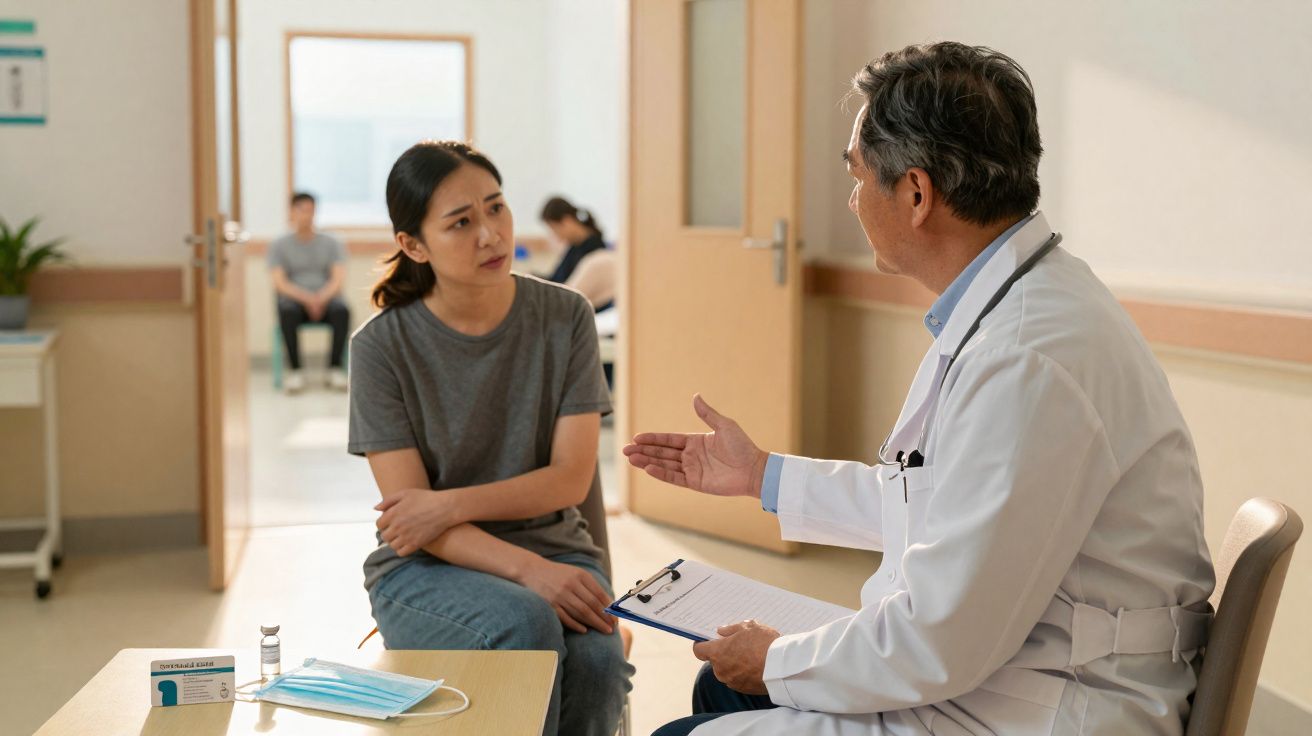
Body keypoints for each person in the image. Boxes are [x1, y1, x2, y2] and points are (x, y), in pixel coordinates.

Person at [626, 42, 1214, 736]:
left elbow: (939, 642)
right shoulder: (1023, 303)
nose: (851, 198)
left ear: (914, 193)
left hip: (1049, 702)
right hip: (1008, 661)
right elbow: (942, 507)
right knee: (723, 688)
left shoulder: (1027, 357)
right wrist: (763, 475)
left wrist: (777, 659)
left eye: (856, 175)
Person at [348, 141, 632, 736]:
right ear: (413, 245)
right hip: (428, 566)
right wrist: (528, 571)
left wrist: (449, 503)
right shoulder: (379, 349)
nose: (491, 235)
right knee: (525, 625)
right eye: (461, 222)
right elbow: (411, 523)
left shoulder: (566, 316)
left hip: (555, 546)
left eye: (496, 209)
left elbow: (569, 479)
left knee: (600, 659)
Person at [267, 191, 350, 393]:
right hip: (295, 300)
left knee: (342, 310)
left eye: (311, 210)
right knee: (287, 311)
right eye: (302, 210)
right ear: (292, 212)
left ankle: (335, 369)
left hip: (326, 297)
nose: (307, 215)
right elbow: (280, 283)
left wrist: (320, 298)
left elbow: (337, 279)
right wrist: (307, 299)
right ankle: (296, 371)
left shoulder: (332, 242)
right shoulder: (279, 245)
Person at [540, 196, 613, 310]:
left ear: (567, 221)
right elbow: (555, 279)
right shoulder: (574, 247)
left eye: (554, 228)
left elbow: (570, 293)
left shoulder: (594, 252)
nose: (555, 235)